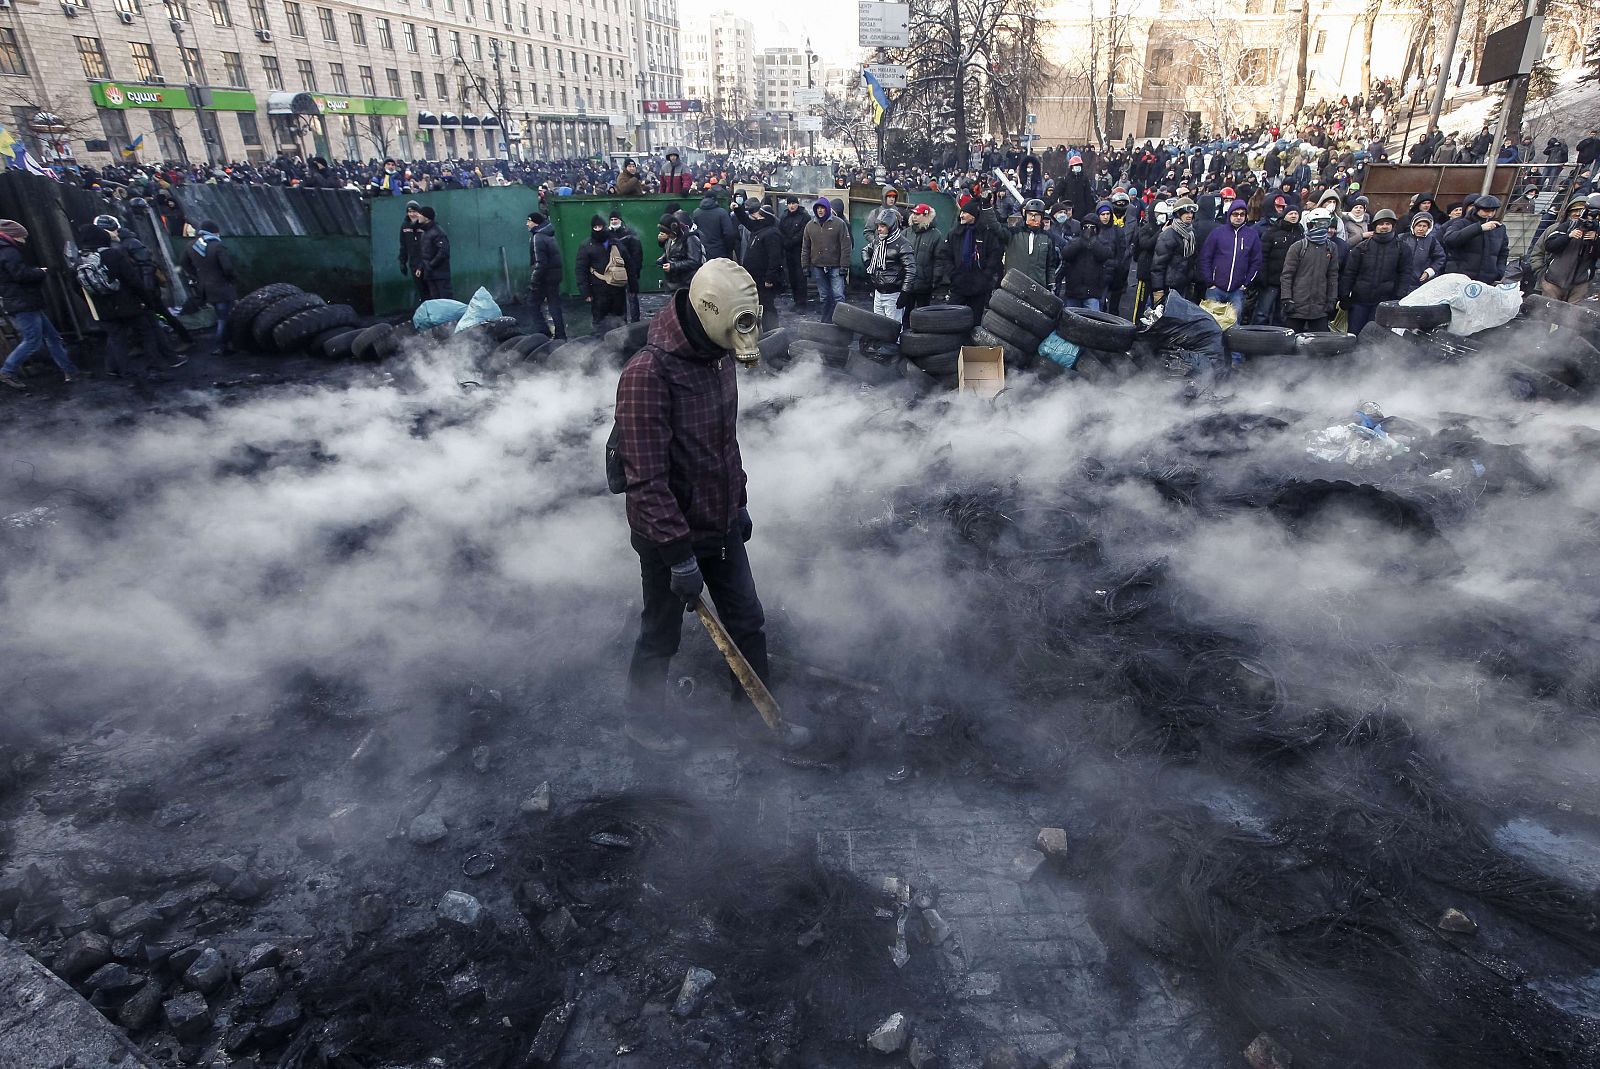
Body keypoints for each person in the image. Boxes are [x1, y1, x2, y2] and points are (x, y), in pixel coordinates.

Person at [613, 259, 797, 755]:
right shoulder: (647, 375)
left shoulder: (718, 355)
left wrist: (738, 504)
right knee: (662, 631)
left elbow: (724, 444)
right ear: (709, 312)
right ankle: (643, 720)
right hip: (667, 536)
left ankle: (755, 717)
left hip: (720, 523)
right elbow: (645, 480)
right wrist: (678, 555)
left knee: (747, 620)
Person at [74, 222, 158, 379]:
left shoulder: (79, 261)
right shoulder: (113, 255)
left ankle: (125, 372)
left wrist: (93, 302)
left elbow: (76, 286)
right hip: (127, 303)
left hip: (102, 309)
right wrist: (147, 300)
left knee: (117, 340)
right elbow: (133, 280)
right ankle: (153, 368)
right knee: (146, 331)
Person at [0, 219, 76, 390]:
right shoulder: (9, 251)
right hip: (24, 301)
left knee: (53, 337)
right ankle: (7, 370)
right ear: (14, 235)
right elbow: (20, 275)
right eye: (23, 237)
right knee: (33, 340)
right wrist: (39, 272)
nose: (24, 241)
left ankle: (69, 370)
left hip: (20, 301)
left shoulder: (3, 250)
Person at [936, 194, 1006, 320]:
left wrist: (985, 276)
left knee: (975, 321)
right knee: (952, 318)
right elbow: (945, 254)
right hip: (958, 284)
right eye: (961, 212)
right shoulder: (955, 233)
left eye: (965, 213)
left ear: (973, 215)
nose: (961, 215)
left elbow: (994, 256)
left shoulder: (986, 234)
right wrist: (953, 274)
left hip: (979, 287)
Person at [1340, 208, 1405, 335]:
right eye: (1381, 224)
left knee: (1375, 337)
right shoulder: (1362, 247)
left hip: (1384, 302)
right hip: (1360, 300)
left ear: (1393, 226)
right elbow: (1350, 273)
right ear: (1375, 226)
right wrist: (1344, 295)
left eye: (1387, 223)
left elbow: (1405, 273)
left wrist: (1399, 296)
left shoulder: (1401, 248)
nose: (1384, 227)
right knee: (1354, 333)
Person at [1198, 198, 1262, 326]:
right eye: (1235, 214)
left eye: (1242, 214)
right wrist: (1209, 281)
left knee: (1234, 323)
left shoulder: (1252, 235)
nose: (1238, 217)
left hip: (1237, 290)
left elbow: (1256, 261)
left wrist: (1246, 282)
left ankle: (1232, 346)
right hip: (1215, 288)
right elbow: (1205, 257)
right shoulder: (1217, 233)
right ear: (1229, 214)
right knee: (1210, 323)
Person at [181, 219, 239, 356]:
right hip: (221, 287)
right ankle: (222, 346)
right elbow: (228, 268)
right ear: (214, 231)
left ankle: (225, 345)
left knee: (220, 316)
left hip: (205, 288)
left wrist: (197, 275)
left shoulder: (191, 245)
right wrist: (232, 279)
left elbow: (183, 263)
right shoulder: (217, 246)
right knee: (224, 317)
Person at [1279, 210, 1341, 333]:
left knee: (1320, 345)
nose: (1323, 227)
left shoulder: (1331, 247)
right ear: (1310, 225)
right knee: (1290, 343)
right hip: (1296, 306)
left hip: (1319, 308)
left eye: (1325, 223)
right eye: (1319, 224)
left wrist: (1331, 299)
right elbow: (1287, 275)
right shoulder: (1298, 247)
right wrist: (1286, 299)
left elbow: (1333, 275)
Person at [1531, 194, 1600, 303]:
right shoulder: (1563, 227)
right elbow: (1545, 248)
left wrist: (1596, 240)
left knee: (1571, 317)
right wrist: (1540, 273)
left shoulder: (1597, 233)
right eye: (1575, 210)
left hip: (1579, 284)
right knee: (1546, 313)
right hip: (1553, 281)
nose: (1578, 214)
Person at [862, 206, 914, 327]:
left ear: (891, 226)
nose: (879, 229)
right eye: (878, 226)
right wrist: (868, 263)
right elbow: (865, 250)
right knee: (878, 327)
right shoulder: (878, 241)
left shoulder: (903, 244)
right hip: (878, 291)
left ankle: (895, 346)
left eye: (883, 226)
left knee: (893, 329)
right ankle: (881, 346)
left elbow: (911, 270)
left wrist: (905, 293)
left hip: (893, 293)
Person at [801, 198, 851, 324]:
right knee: (824, 296)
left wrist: (844, 266)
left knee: (838, 296)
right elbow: (805, 247)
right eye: (818, 208)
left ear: (827, 209)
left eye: (822, 208)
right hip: (818, 266)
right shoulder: (810, 226)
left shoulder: (839, 224)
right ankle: (826, 322)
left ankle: (842, 322)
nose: (820, 210)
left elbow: (846, 246)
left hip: (836, 266)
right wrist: (805, 266)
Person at [577, 214, 629, 326]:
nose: (598, 230)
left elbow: (628, 263)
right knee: (600, 321)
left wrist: (633, 285)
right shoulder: (586, 246)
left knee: (619, 319)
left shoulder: (615, 242)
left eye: (600, 227)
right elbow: (581, 270)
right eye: (595, 227)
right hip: (598, 290)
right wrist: (585, 292)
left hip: (617, 288)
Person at [1443, 194, 1508, 283]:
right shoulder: (1461, 223)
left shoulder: (1499, 228)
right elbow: (1450, 239)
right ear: (1477, 209)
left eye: (1493, 211)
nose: (1490, 214)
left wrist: (1499, 272)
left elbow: (1503, 252)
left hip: (1487, 279)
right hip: (1462, 278)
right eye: (1486, 211)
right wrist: (1479, 228)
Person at [1253, 205, 1301, 326]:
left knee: (1281, 315)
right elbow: (1262, 255)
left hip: (1288, 283)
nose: (1294, 216)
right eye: (1291, 214)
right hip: (1270, 280)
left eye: (1296, 214)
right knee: (1262, 312)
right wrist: (1262, 277)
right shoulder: (1271, 232)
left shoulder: (1300, 233)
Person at [739, 202, 785, 327]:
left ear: (765, 218)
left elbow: (774, 258)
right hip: (754, 276)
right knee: (757, 303)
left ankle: (772, 330)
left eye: (759, 215)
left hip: (763, 277)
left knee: (767, 304)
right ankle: (761, 328)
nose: (756, 216)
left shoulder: (772, 234)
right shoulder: (759, 229)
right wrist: (738, 209)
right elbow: (745, 221)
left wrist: (770, 277)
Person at [900, 203, 943, 326]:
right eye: (913, 213)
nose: (914, 216)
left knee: (924, 314)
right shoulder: (906, 233)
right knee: (905, 314)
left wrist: (935, 280)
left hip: (924, 282)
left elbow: (939, 260)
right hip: (907, 282)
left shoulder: (936, 235)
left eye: (917, 214)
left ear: (926, 216)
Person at [1058, 215, 1111, 310]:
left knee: (1093, 320)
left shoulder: (1102, 242)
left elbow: (1104, 255)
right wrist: (1082, 241)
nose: (1089, 230)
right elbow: (1065, 254)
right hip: (1073, 291)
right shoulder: (1074, 242)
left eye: (1092, 228)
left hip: (1093, 292)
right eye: (1086, 227)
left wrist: (1093, 242)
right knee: (1071, 321)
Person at [1003, 198, 1060, 289]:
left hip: (1037, 287)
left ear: (1041, 217)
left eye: (1036, 215)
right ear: (1025, 215)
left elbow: (1050, 265)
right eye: (1030, 214)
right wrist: (987, 207)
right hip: (1014, 285)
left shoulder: (1048, 237)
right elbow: (995, 228)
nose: (1033, 218)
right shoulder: (1013, 233)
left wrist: (1051, 284)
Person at [1151, 199, 1199, 304]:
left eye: (1191, 212)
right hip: (1169, 288)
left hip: (1184, 286)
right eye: (1186, 212)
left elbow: (1193, 261)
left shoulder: (1191, 234)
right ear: (1178, 213)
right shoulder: (1168, 235)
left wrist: (1191, 282)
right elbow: (1158, 265)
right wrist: (1158, 290)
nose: (1189, 215)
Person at [526, 211, 566, 339]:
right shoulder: (548, 235)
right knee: (554, 304)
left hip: (544, 277)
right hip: (554, 276)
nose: (527, 224)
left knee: (532, 303)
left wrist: (534, 280)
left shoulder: (538, 237)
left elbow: (540, 262)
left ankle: (543, 332)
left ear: (535, 222)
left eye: (529, 221)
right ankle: (560, 335)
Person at [1397, 212, 1446, 297]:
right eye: (1419, 225)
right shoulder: (1402, 238)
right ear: (1413, 226)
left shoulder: (1432, 241)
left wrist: (1429, 271)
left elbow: (1440, 257)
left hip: (1420, 281)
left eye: (1424, 226)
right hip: (1400, 281)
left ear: (1429, 228)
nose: (1421, 229)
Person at [608, 210, 645, 322]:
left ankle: (635, 321)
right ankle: (622, 320)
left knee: (632, 296)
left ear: (620, 220)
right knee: (619, 298)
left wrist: (635, 270)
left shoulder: (629, 234)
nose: (614, 221)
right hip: (614, 271)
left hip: (628, 270)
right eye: (612, 219)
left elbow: (637, 253)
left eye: (616, 219)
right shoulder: (607, 234)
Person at [409, 205, 452, 299]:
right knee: (435, 300)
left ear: (426, 217)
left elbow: (443, 252)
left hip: (440, 274)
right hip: (430, 274)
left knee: (445, 300)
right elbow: (425, 253)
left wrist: (430, 265)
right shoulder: (425, 232)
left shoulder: (437, 232)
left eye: (420, 214)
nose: (418, 216)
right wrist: (421, 267)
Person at [657, 212, 705, 291]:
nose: (667, 235)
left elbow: (694, 261)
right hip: (674, 283)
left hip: (687, 284)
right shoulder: (670, 239)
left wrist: (673, 266)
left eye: (668, 233)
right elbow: (671, 253)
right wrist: (663, 260)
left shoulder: (690, 239)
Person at [777, 195, 809, 312]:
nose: (791, 206)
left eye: (793, 203)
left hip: (800, 250)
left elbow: (803, 233)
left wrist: (791, 241)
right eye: (789, 203)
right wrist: (785, 242)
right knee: (792, 277)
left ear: (797, 204)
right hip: (788, 252)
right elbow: (780, 231)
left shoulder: (804, 216)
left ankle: (802, 302)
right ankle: (796, 301)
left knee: (800, 277)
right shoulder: (784, 216)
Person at [693, 191, 738, 262]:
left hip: (702, 253)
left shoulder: (696, 213)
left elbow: (694, 232)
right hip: (720, 252)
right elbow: (729, 234)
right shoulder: (722, 213)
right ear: (715, 200)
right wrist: (729, 249)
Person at [398, 200, 427, 304]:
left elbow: (428, 247)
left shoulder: (424, 225)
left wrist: (422, 265)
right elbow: (403, 246)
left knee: (429, 289)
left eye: (414, 211)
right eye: (409, 211)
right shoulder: (405, 226)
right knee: (421, 290)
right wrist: (402, 262)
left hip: (426, 263)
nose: (412, 214)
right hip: (413, 263)